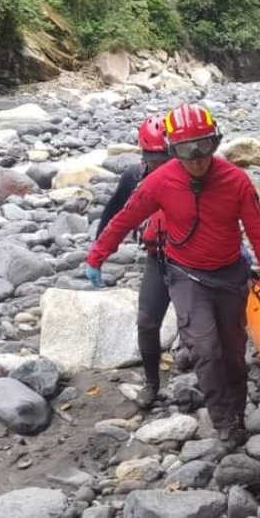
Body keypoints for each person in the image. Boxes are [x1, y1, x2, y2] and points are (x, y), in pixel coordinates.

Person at [85, 103, 260, 446]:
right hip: (186, 276)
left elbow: (259, 231)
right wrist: (97, 256)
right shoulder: (160, 181)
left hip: (230, 276)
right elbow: (125, 218)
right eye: (186, 150)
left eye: (203, 146)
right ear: (172, 151)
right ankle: (223, 422)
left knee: (234, 353)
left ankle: (237, 410)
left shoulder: (236, 181)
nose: (196, 158)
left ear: (216, 142)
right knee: (205, 348)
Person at [92, 115, 174, 404]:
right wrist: (97, 255)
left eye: (167, 158)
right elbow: (115, 215)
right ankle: (152, 384)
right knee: (147, 322)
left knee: (200, 329)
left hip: (193, 259)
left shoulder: (193, 174)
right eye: (155, 159)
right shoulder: (134, 177)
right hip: (158, 258)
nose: (162, 166)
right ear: (144, 155)